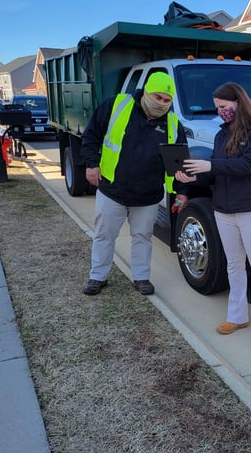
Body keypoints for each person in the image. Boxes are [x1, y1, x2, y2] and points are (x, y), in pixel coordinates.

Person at [176, 82, 251, 343]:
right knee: (234, 266)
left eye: (224, 106)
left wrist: (209, 164)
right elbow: (217, 173)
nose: (220, 112)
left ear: (239, 101)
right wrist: (193, 179)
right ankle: (237, 316)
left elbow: (248, 165)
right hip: (224, 209)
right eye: (217, 108)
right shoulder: (222, 134)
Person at [81, 71, 189, 296]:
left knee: (142, 237)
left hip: (147, 195)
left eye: (167, 100)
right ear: (146, 92)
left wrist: (182, 192)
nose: (161, 104)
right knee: (104, 235)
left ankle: (141, 278)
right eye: (157, 97)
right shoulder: (117, 105)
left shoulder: (173, 124)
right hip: (112, 189)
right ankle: (97, 276)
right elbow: (91, 135)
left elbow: (179, 164)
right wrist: (91, 164)